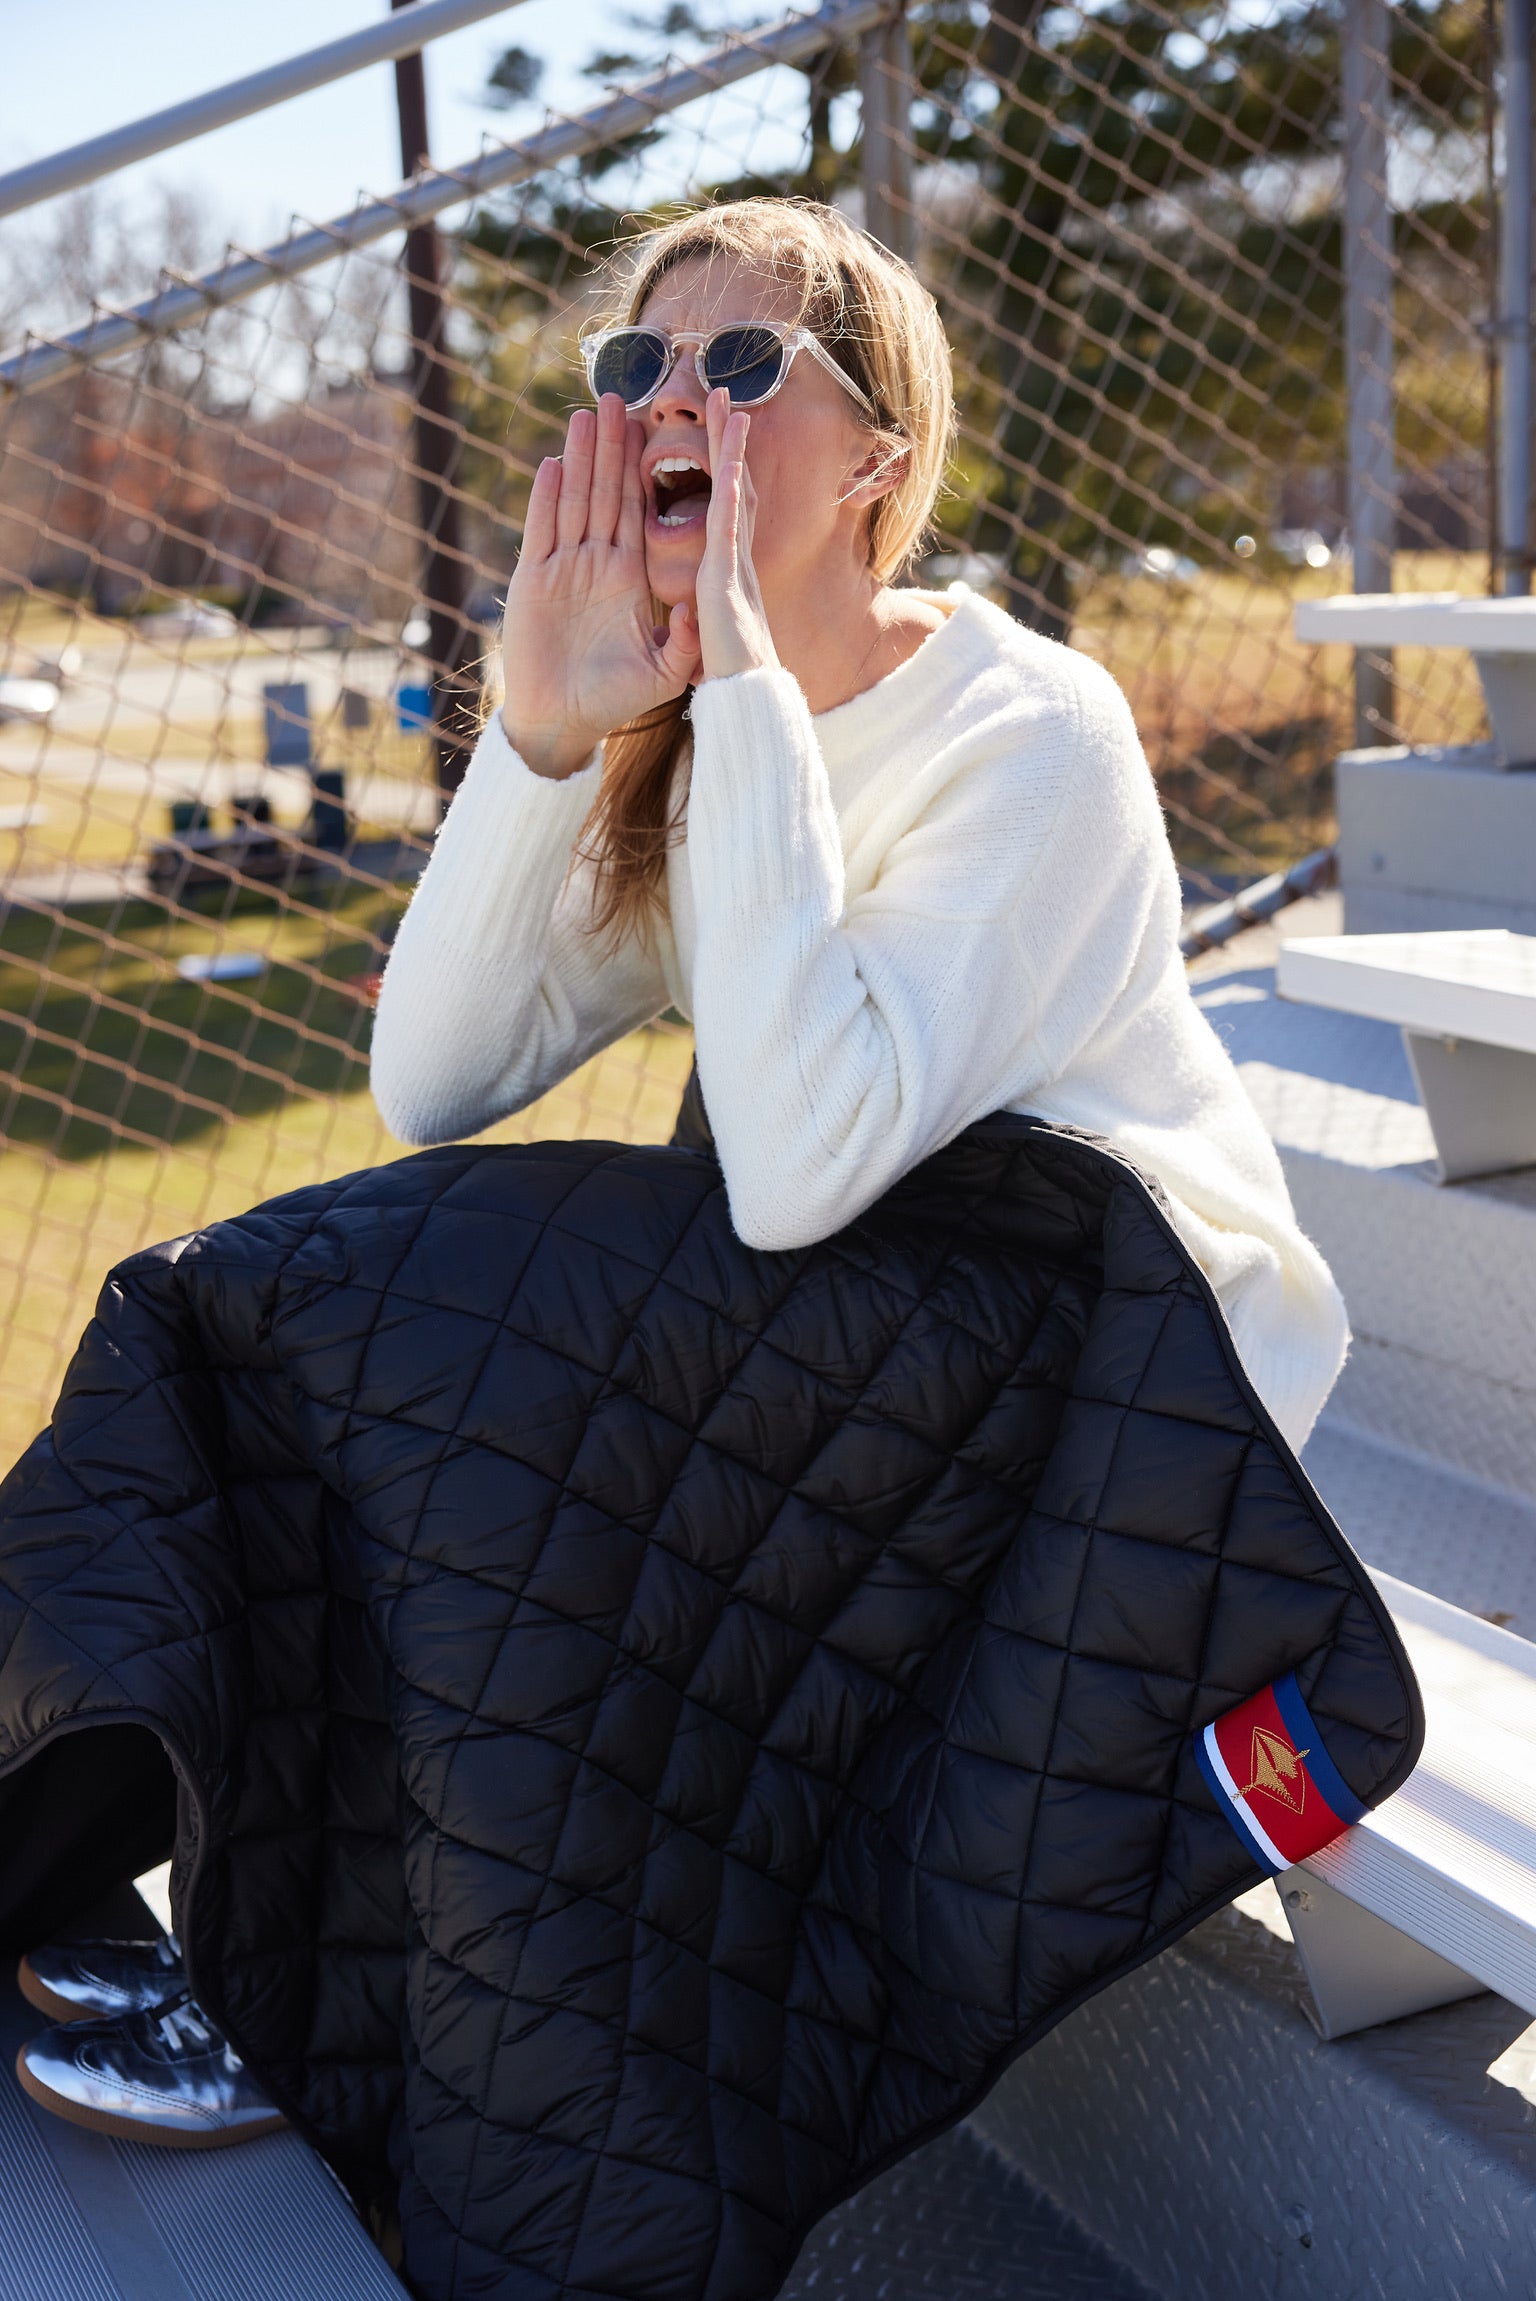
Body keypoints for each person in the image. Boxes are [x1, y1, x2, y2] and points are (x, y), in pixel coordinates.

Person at [11, 195, 1347, 2146]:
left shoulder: (1030, 727)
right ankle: (70, 1837)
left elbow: (799, 1169)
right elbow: (434, 1074)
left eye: (737, 364)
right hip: (875, 1332)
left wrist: (737, 687)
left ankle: (321, 2005)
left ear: (878, 455)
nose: (667, 402)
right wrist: (545, 736)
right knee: (279, 1295)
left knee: (482, 1357)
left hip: (1129, 1386)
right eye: (636, 364)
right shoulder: (690, 738)